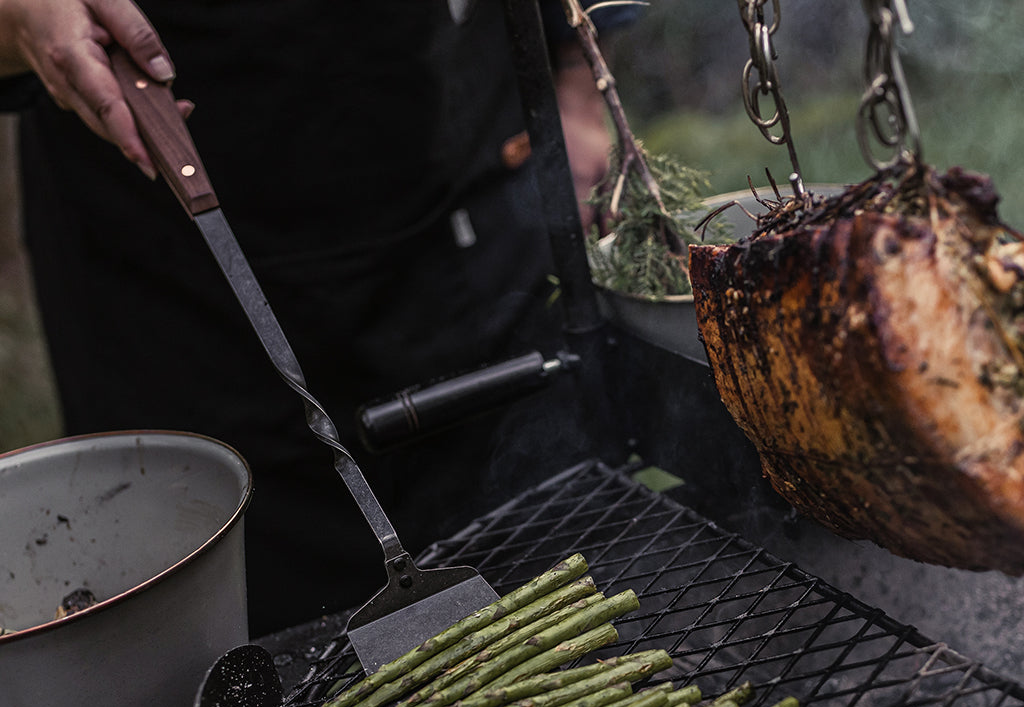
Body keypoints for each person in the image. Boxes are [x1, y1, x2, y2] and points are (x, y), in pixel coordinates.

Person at [0, 0, 638, 637]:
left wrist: (578, 78)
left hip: (469, 205)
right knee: (258, 673)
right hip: (179, 297)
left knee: (572, 597)